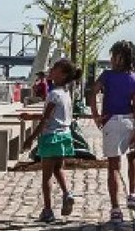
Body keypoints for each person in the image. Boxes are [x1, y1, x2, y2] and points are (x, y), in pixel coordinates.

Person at [88, 40, 135, 224]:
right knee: (133, 158)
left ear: (120, 58)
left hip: (111, 121)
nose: (111, 58)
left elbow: (92, 92)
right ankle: (132, 194)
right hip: (130, 120)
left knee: (113, 165)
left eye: (114, 55)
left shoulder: (106, 75)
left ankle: (115, 208)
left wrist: (95, 115)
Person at [23, 58, 82, 223]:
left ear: (62, 75)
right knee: (58, 169)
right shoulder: (66, 94)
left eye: (55, 67)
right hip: (65, 136)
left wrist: (31, 138)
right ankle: (67, 193)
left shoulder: (53, 94)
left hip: (51, 137)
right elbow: (56, 116)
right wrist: (31, 116)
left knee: (46, 175)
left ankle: (48, 210)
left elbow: (45, 120)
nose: (51, 69)